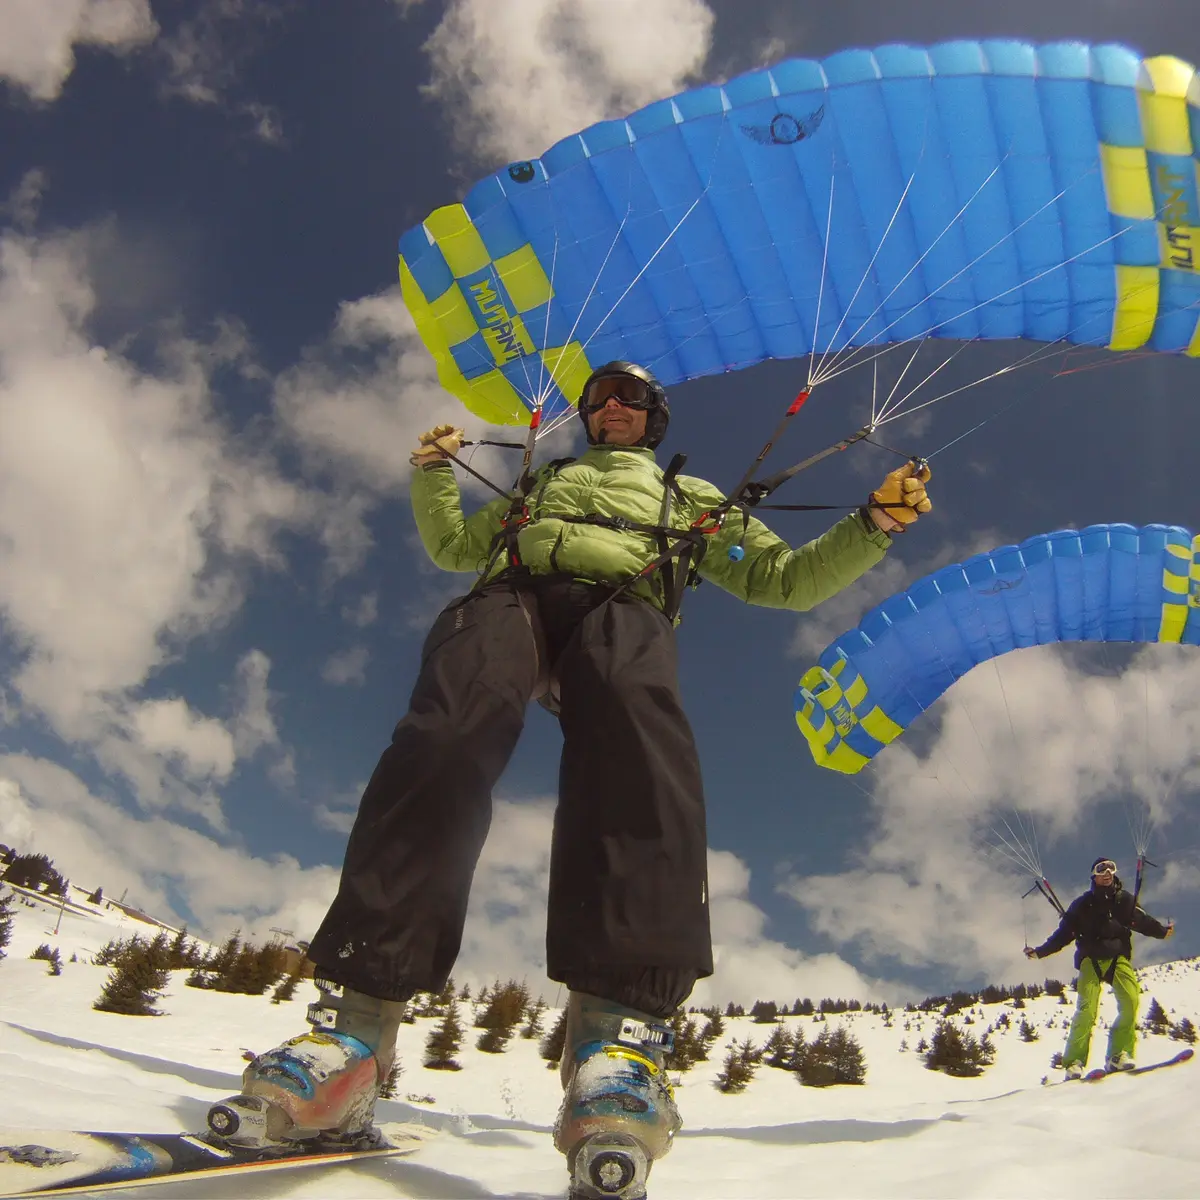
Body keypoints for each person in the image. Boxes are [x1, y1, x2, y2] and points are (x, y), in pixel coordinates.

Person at [206, 361, 932, 1195]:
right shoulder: (533, 487)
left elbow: (786, 580)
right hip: (510, 596)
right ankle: (356, 1032)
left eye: (628, 399)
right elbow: (450, 545)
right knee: (442, 738)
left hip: (625, 606)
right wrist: (433, 474)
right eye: (596, 400)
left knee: (637, 745)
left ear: (653, 419)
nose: (608, 408)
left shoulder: (688, 502)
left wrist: (873, 523)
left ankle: (618, 1040)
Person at [1025, 857, 1174, 1080]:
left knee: (1131, 1000)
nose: (1107, 872)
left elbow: (1143, 921)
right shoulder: (1082, 905)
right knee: (1087, 1009)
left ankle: (1118, 1055)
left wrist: (1162, 932)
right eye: (1101, 869)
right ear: (1093, 876)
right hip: (1091, 959)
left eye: (1111, 868)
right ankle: (1074, 1062)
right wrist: (1040, 951)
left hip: (1117, 957)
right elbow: (1064, 935)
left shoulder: (1125, 901)